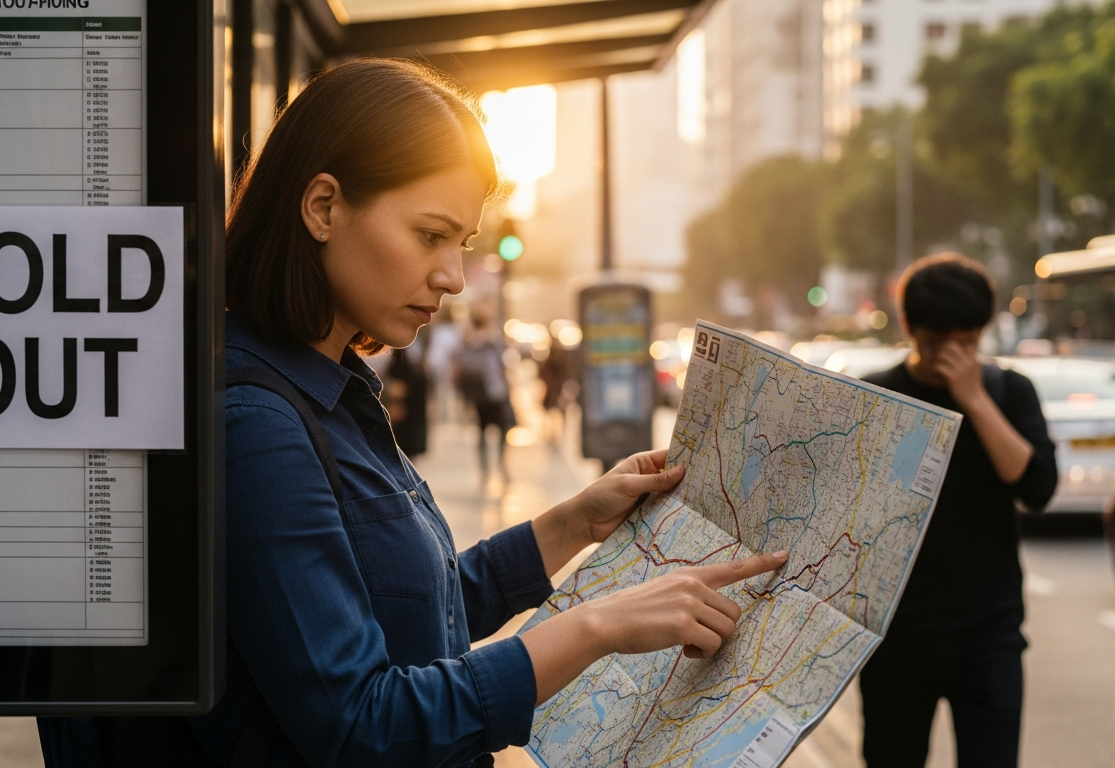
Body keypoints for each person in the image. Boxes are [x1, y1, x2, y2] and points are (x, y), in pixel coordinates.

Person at [38, 59, 788, 768]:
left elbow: (410, 614)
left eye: (460, 243)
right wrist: (595, 628)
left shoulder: (327, 389)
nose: (452, 276)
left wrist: (572, 525)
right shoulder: (250, 420)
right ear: (323, 206)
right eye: (430, 235)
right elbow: (361, 726)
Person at [859, 254, 1057, 768]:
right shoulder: (877, 394)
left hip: (988, 638)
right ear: (909, 328)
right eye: (937, 344)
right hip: (895, 639)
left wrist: (974, 399)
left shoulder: (1010, 392)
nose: (954, 357)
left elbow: (1038, 488)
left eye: (968, 344)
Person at [455, 311, 514, 481]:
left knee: (488, 431)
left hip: (488, 392)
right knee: (498, 429)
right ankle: (492, 467)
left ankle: (489, 468)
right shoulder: (480, 341)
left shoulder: (474, 341)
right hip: (491, 392)